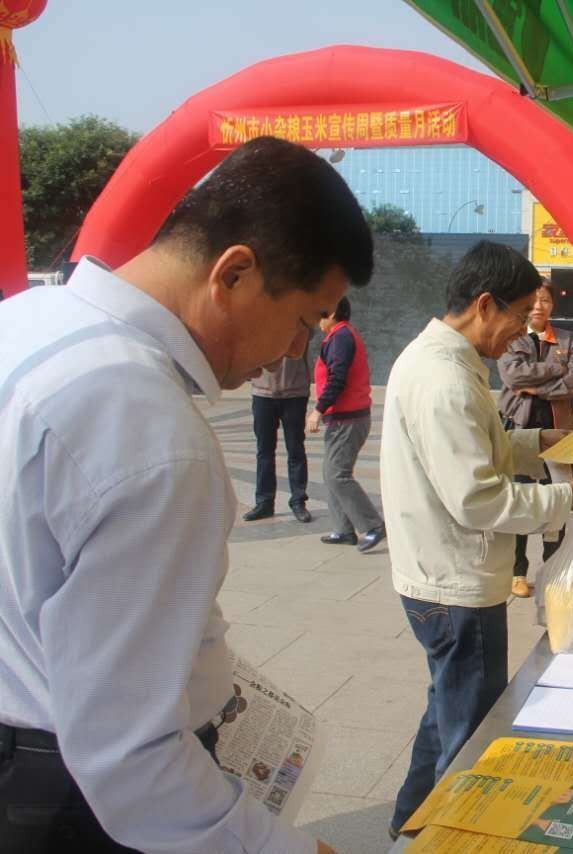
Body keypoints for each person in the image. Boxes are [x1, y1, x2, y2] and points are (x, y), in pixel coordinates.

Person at [0, 136, 367, 854]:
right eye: (303, 320)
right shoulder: (151, 431)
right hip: (77, 804)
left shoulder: (24, 320)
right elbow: (129, 756)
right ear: (234, 272)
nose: (296, 350)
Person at [380, 241, 573, 838]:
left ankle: (409, 825)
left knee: (447, 709)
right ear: (484, 305)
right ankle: (450, 837)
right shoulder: (445, 380)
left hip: (438, 573)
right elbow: (477, 498)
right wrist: (567, 498)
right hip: (456, 583)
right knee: (470, 734)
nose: (523, 330)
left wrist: (541, 444)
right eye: (520, 314)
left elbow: (482, 452)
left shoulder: (441, 362)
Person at [497, 281, 573, 597]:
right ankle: (517, 571)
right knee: (520, 498)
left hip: (558, 433)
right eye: (534, 300)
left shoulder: (567, 339)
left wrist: (536, 387)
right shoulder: (512, 337)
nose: (539, 306)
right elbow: (512, 376)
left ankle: (553, 569)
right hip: (519, 430)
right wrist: (555, 369)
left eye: (546, 300)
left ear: (552, 305)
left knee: (559, 499)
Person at [308, 297, 385, 553]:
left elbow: (337, 379)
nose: (317, 320)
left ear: (331, 313)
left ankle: (373, 525)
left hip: (348, 419)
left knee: (337, 474)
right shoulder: (339, 336)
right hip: (344, 417)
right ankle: (343, 529)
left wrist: (317, 410)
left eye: (320, 314)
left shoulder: (341, 338)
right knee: (331, 473)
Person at [243, 350, 313, 523]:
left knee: (295, 449)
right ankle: (264, 502)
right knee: (264, 451)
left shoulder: (299, 331)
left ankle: (298, 501)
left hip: (295, 393)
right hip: (262, 393)